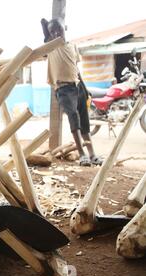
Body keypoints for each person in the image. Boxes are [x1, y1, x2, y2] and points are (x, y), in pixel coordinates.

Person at [41, 18, 103, 166]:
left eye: (59, 29)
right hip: (63, 89)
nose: (56, 33)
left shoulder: (73, 46)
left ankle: (92, 154)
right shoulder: (50, 48)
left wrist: (86, 89)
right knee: (73, 116)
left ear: (65, 28)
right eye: (52, 31)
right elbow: (44, 34)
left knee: (84, 119)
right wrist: (45, 27)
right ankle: (82, 155)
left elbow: (76, 69)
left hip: (78, 86)